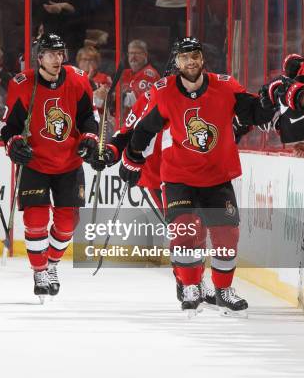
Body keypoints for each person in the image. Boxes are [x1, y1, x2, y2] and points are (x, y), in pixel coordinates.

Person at [118, 37, 276, 317]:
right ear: (176, 63)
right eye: (184, 58)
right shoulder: (165, 92)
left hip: (218, 175)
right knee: (184, 231)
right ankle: (190, 286)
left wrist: (271, 99)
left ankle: (223, 290)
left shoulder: (225, 86)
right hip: (179, 176)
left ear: (202, 59)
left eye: (195, 56)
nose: (190, 62)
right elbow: (145, 128)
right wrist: (132, 157)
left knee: (227, 235)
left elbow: (252, 113)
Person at [0, 33, 100, 301]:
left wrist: (90, 138)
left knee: (67, 225)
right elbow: (7, 126)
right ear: (39, 57)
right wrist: (13, 143)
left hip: (69, 162)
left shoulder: (78, 79)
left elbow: (90, 117)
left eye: (60, 53)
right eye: (51, 54)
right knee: (35, 221)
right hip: (35, 162)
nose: (57, 58)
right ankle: (40, 271)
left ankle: (52, 263)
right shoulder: (22, 84)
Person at [120, 40, 160, 117]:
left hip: (140, 124)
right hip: (123, 123)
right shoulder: (124, 73)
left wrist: (114, 97)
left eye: (137, 53)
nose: (133, 57)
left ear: (145, 55)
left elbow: (136, 100)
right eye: (131, 53)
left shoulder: (150, 74)